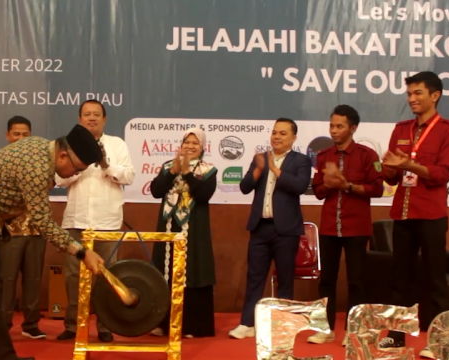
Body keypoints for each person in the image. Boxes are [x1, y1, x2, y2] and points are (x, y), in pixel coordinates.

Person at [0, 124, 106, 360]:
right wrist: (82, 252)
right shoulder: (37, 167)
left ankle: (1, 355)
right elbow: (42, 222)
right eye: (76, 169)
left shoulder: (39, 147)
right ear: (63, 156)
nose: (74, 174)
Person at [379, 71, 449, 360]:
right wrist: (388, 167)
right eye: (409, 94)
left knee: (435, 279)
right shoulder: (401, 129)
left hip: (432, 214)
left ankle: (438, 341)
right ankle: (396, 337)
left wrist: (410, 165)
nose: (412, 99)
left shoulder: (447, 130)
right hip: (403, 213)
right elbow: (390, 178)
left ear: (435, 95)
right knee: (400, 278)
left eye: (418, 93)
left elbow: (443, 174)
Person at [55, 100, 135, 342]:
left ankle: (105, 326)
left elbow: (129, 176)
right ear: (80, 119)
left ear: (104, 119)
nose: (92, 118)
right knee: (73, 276)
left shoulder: (117, 144)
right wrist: (80, 165)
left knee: (107, 275)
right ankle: (73, 325)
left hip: (107, 221)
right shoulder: (66, 145)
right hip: (76, 220)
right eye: (87, 114)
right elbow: (59, 179)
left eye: (96, 115)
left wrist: (105, 165)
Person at [230, 118, 312, 339]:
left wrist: (275, 169)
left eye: (283, 133)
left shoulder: (301, 160)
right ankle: (247, 324)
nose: (277, 137)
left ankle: (282, 325)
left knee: (285, 279)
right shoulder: (260, 159)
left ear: (293, 137)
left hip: (286, 230)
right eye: (274, 132)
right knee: (254, 277)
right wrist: (259, 170)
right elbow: (244, 187)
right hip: (260, 228)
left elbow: (300, 186)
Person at [310, 105, 383, 345]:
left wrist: (348, 186)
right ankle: (325, 328)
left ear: (353, 128)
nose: (334, 130)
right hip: (329, 226)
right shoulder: (323, 156)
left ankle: (354, 331)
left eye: (339, 126)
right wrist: (329, 185)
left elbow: (378, 189)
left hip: (357, 228)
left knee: (357, 281)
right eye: (331, 126)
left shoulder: (367, 155)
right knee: (326, 280)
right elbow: (317, 191)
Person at [149, 127, 217, 338]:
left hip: (194, 230)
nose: (190, 146)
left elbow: (204, 195)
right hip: (169, 227)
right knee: (165, 270)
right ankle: (162, 323)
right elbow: (156, 191)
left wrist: (187, 173)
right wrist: (173, 172)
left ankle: (191, 325)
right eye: (187, 142)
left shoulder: (208, 170)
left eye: (195, 143)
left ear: (202, 147)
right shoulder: (168, 167)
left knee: (193, 271)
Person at [0, 116, 47, 339]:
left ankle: (31, 324)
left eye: (25, 134)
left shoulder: (41, 162)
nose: (20, 138)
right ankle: (2, 324)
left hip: (36, 229)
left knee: (33, 279)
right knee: (6, 280)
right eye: (16, 134)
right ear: (8, 136)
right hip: (9, 230)